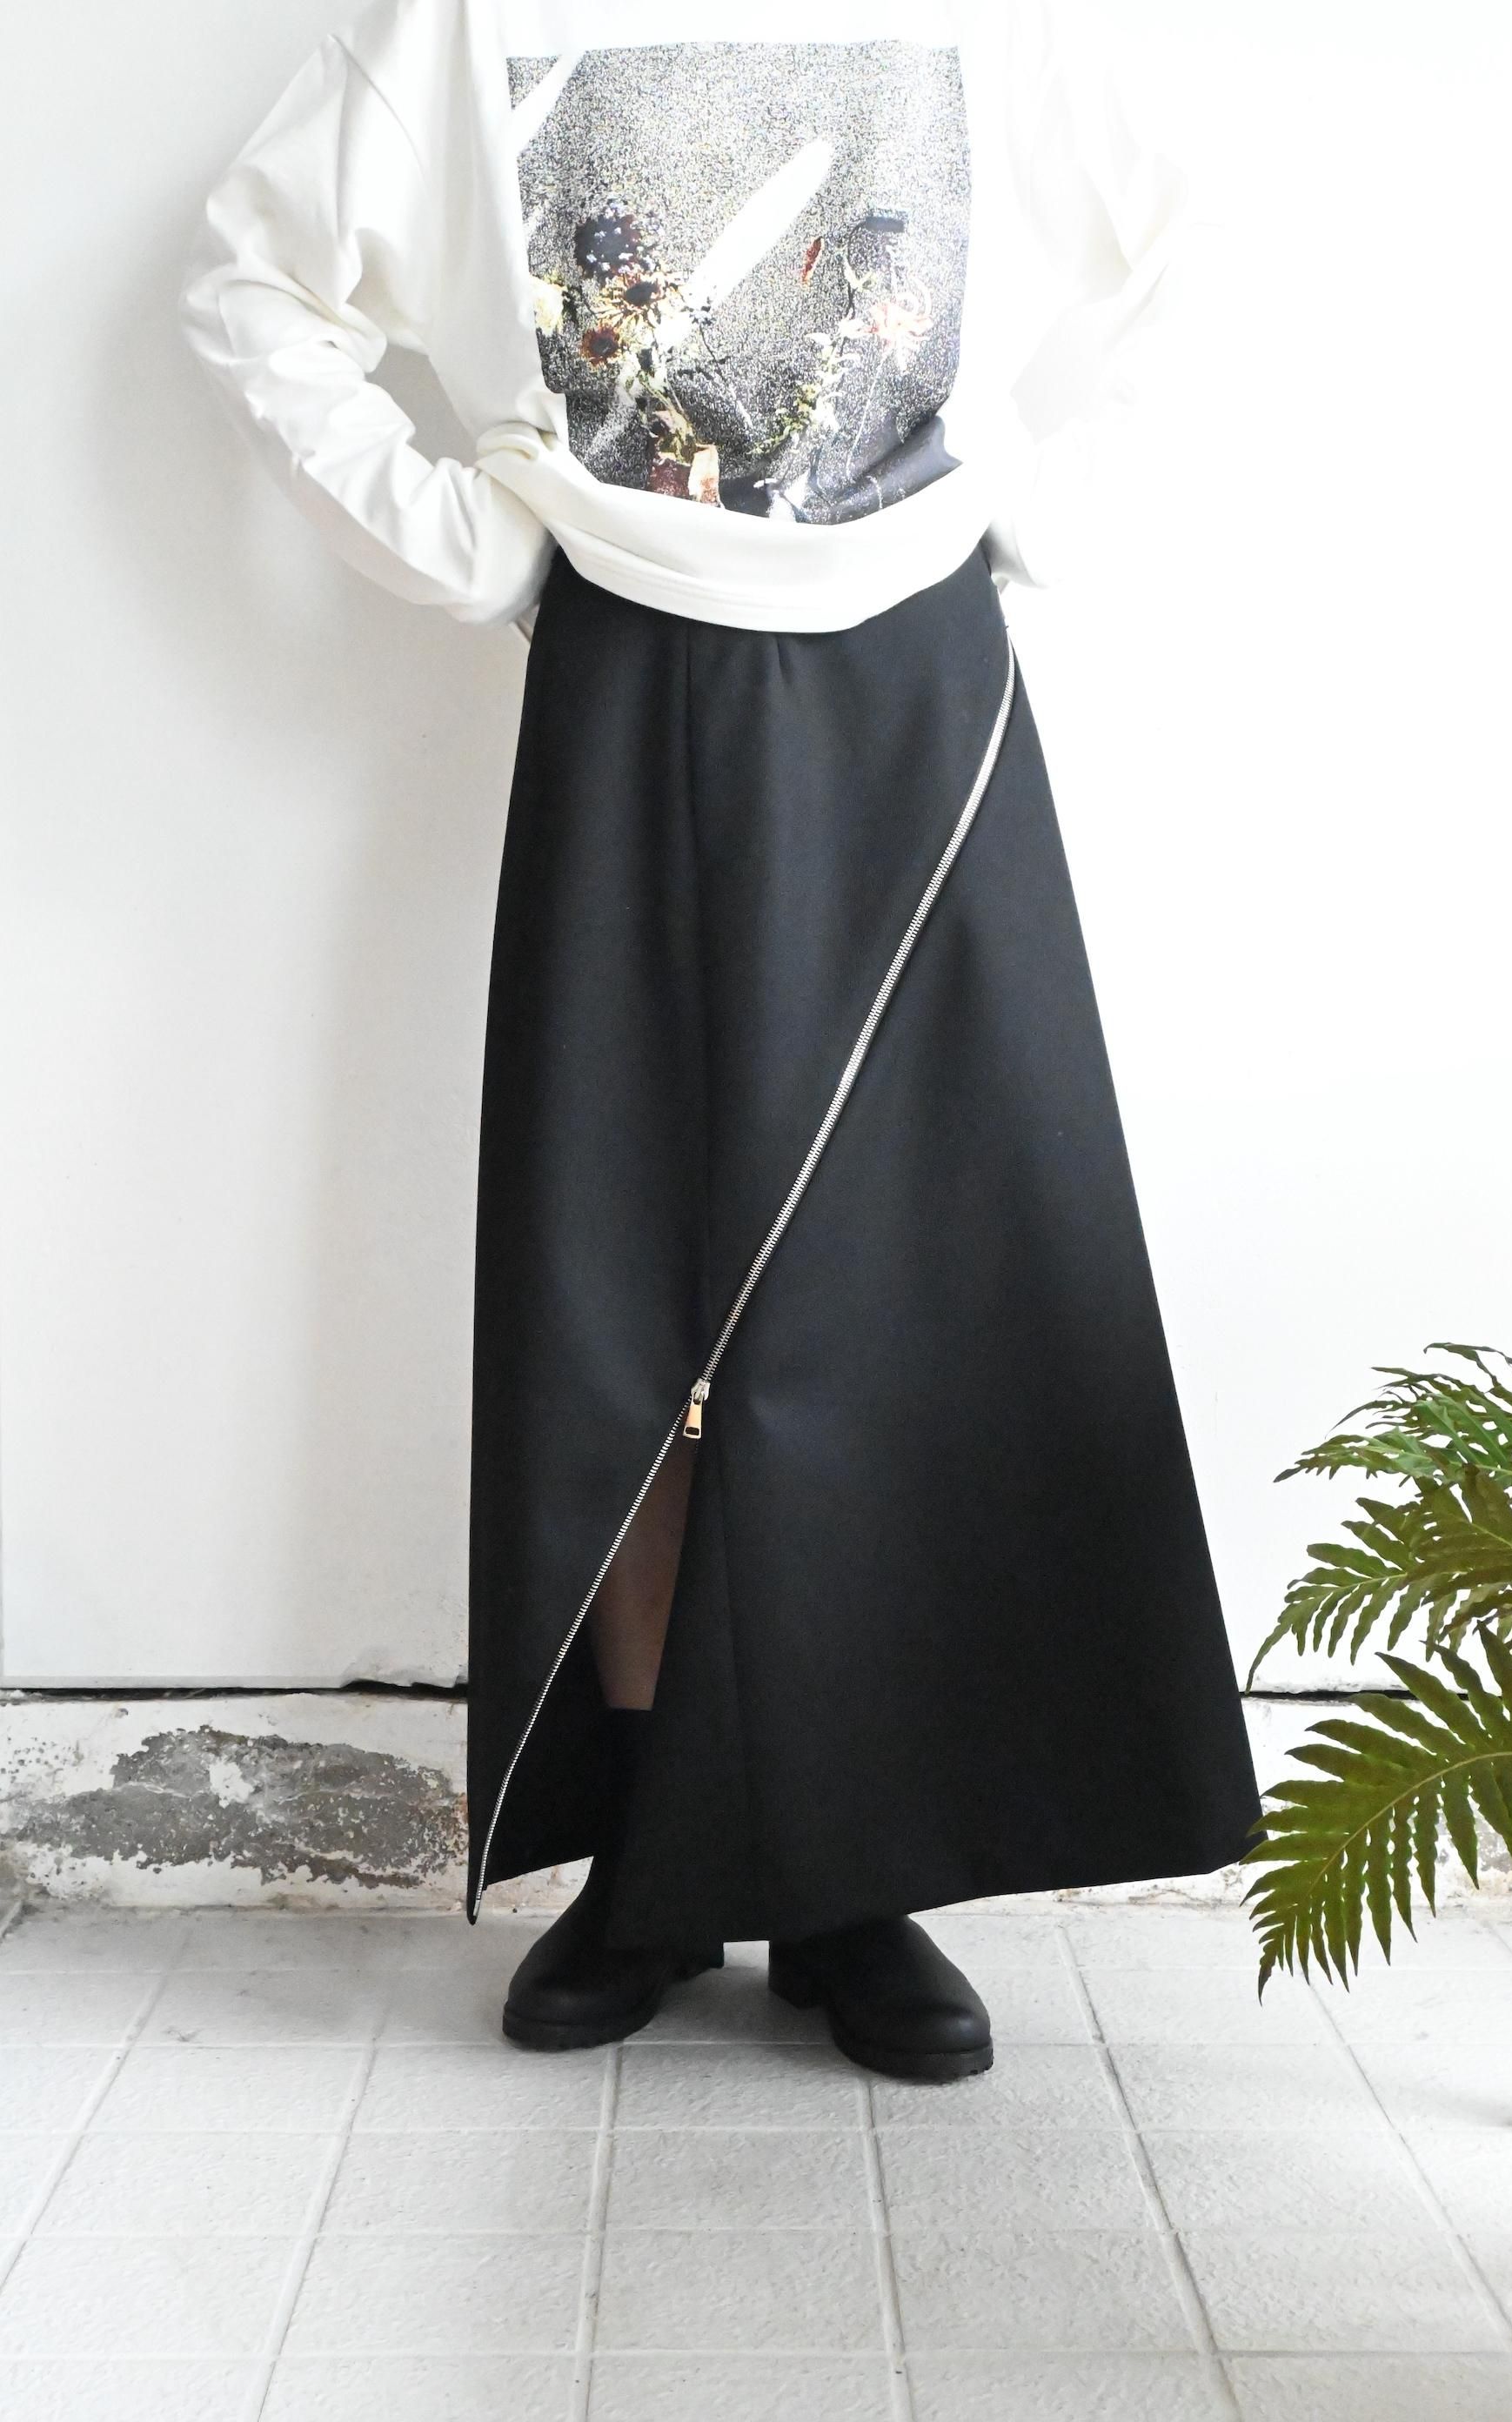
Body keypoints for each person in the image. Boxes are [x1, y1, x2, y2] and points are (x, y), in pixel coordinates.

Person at [179, 0, 1261, 2085]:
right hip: (627, 669)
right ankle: (655, 1867)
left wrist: (1034, 502)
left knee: (896, 1283)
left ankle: (859, 1876)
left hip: (915, 678)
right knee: (631, 1287)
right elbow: (253, 277)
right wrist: (469, 540)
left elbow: (1186, 246)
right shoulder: (470, 16)